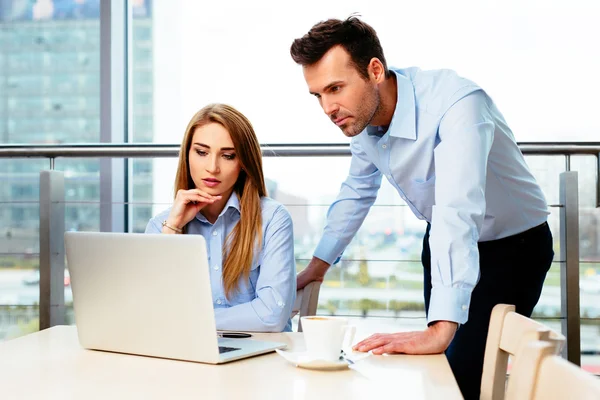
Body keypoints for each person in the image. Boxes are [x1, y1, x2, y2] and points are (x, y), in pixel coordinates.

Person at [290, 17, 553, 399]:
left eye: (335, 88)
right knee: (438, 369)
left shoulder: (457, 105)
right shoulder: (363, 121)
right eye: (318, 95)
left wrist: (442, 328)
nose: (328, 107)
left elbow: (456, 209)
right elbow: (358, 189)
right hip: (443, 238)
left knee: (462, 374)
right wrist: (319, 264)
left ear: (374, 70)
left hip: (514, 246)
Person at [145, 103, 296, 332]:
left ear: (243, 163)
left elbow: (272, 314)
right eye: (202, 152)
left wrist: (191, 321)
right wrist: (172, 230)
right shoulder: (161, 226)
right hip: (190, 356)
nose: (212, 167)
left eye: (228, 155)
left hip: (260, 357)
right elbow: (151, 311)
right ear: (187, 155)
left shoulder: (273, 219)